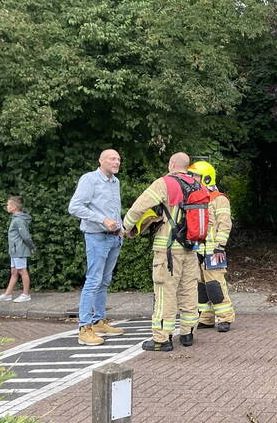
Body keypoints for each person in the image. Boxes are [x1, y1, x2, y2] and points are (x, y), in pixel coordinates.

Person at [123, 152, 200, 351]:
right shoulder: (197, 184)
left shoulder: (165, 183)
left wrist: (126, 227)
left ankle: (162, 338)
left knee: (165, 291)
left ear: (172, 164)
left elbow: (139, 206)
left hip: (168, 248)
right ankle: (188, 332)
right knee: (189, 290)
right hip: (191, 247)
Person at [68, 149, 126, 346]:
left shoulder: (115, 182)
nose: (117, 162)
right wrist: (102, 220)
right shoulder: (90, 179)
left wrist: (121, 228)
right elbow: (74, 207)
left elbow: (113, 209)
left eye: (118, 159)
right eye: (112, 158)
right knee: (93, 280)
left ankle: (99, 321)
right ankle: (84, 328)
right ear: (100, 161)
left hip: (114, 237)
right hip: (96, 237)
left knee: (104, 280)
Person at [188, 161, 236, 332]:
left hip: (214, 249)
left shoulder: (219, 199)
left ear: (206, 178)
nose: (192, 179)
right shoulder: (195, 198)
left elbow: (225, 224)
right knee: (201, 286)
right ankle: (206, 318)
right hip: (198, 250)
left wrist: (219, 246)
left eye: (196, 176)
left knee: (215, 284)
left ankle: (225, 317)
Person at [0, 196, 35, 303]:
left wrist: (32, 247)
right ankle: (7, 294)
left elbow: (26, 236)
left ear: (13, 207)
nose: (7, 207)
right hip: (14, 251)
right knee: (14, 272)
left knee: (23, 271)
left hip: (19, 250)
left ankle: (26, 294)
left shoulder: (19, 220)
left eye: (8, 205)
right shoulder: (15, 219)